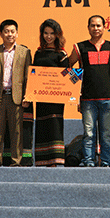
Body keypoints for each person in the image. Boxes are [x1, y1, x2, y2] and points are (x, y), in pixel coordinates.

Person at [69, 15, 110, 167]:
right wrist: (75, 92)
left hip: (108, 98)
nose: (96, 28)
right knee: (89, 134)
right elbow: (68, 68)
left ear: (104, 27)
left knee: (107, 135)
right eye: (93, 25)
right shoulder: (80, 47)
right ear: (88, 28)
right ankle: (89, 162)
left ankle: (106, 163)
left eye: (99, 25)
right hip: (87, 99)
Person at [0, 19, 31, 167]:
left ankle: (16, 162)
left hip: (17, 97)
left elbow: (28, 76)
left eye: (12, 31)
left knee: (16, 132)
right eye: (6, 31)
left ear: (17, 33)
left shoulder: (25, 52)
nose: (9, 34)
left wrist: (27, 96)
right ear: (1, 34)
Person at [33, 19, 69, 166]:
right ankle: (42, 160)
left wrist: (71, 93)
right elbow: (33, 74)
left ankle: (55, 160)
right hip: (41, 98)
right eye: (46, 33)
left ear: (57, 35)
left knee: (55, 126)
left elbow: (67, 76)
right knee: (41, 126)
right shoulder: (38, 53)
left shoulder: (61, 54)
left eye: (52, 33)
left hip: (56, 99)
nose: (49, 36)